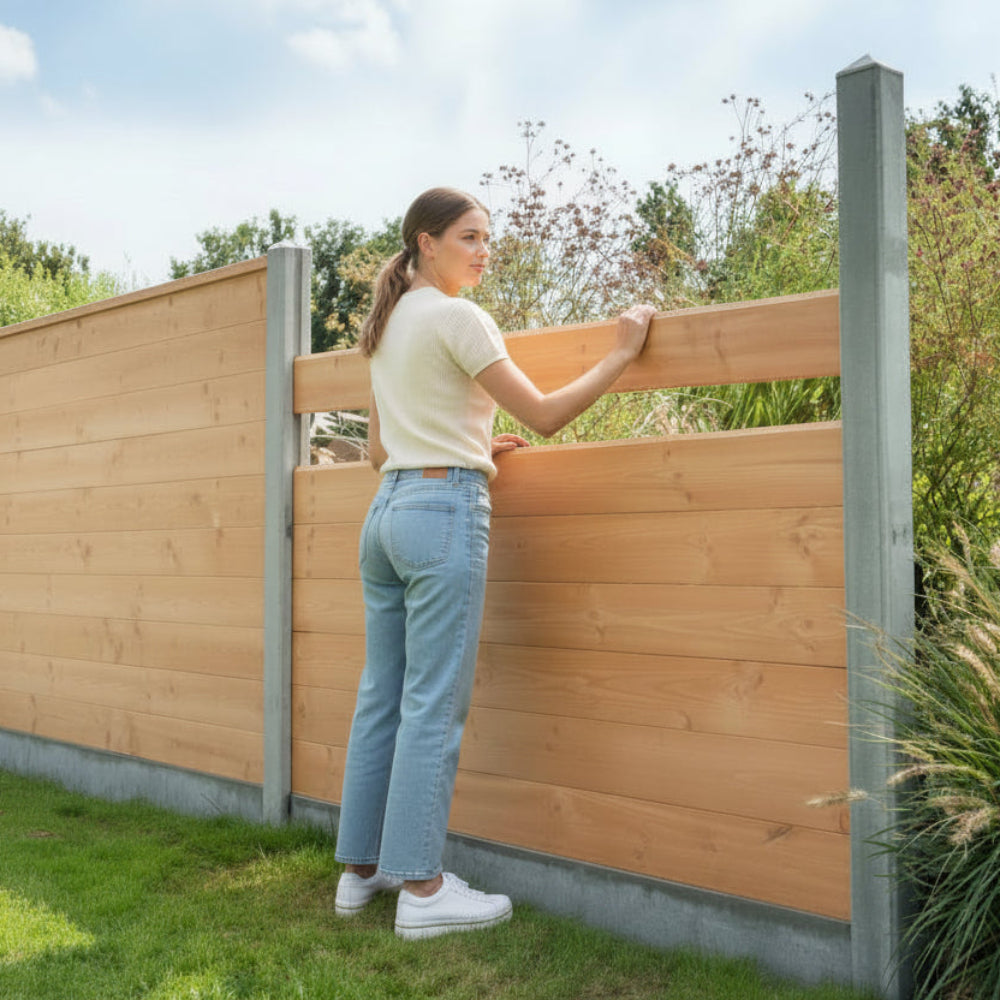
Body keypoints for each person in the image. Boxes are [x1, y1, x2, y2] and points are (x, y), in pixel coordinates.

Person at [333, 186, 656, 940]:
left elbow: (382, 451)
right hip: (441, 514)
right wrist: (621, 350)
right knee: (434, 703)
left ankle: (361, 874)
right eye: (469, 237)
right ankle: (422, 888)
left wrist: (471, 445)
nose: (484, 250)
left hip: (385, 516)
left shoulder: (386, 324)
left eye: (488, 238)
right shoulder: (457, 317)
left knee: (383, 692)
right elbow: (543, 413)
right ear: (425, 243)